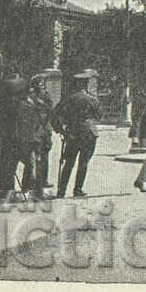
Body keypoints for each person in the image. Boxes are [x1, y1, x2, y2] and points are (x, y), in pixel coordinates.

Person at [52, 69, 103, 198]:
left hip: (72, 133)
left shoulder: (68, 99)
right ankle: (78, 189)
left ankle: (61, 191)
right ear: (86, 84)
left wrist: (60, 130)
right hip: (88, 133)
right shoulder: (92, 99)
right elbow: (99, 116)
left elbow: (53, 115)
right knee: (83, 162)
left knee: (68, 163)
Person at [28, 74, 56, 190]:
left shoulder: (46, 95)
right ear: (34, 85)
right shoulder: (31, 96)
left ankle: (43, 180)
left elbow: (51, 109)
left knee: (45, 156)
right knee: (33, 157)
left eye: (43, 83)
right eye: (40, 83)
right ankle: (32, 181)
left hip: (46, 130)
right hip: (35, 130)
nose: (42, 85)